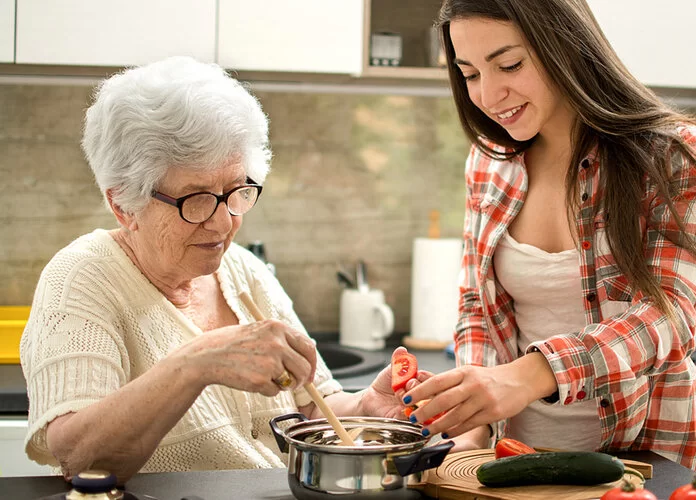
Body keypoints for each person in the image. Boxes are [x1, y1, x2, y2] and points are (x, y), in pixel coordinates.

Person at [20, 56, 411, 483]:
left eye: (235, 191)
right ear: (123, 204)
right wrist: (195, 363)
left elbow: (312, 406)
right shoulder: (81, 279)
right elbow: (78, 456)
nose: (224, 223)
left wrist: (365, 409)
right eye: (196, 199)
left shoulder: (243, 269)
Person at [402, 0, 696, 476]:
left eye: (509, 64)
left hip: (653, 457)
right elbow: (478, 306)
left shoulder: (671, 154)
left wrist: (531, 375)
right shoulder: (490, 163)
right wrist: (471, 419)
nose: (489, 94)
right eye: (470, 73)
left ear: (563, 43)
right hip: (518, 463)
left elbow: (668, 317)